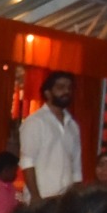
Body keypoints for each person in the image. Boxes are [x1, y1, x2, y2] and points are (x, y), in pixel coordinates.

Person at [19, 71, 83, 200]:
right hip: (43, 197)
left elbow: (76, 165)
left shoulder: (72, 125)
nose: (66, 91)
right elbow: (27, 162)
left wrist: (76, 196)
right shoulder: (35, 122)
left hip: (66, 199)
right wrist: (35, 197)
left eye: (69, 88)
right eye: (61, 87)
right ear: (47, 93)